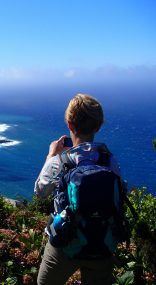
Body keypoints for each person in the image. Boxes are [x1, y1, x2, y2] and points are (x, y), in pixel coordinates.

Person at [34, 94, 121, 285]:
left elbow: (40, 192)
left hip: (65, 245)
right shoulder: (109, 161)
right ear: (98, 126)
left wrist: (51, 154)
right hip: (102, 243)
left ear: (69, 124)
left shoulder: (61, 161)